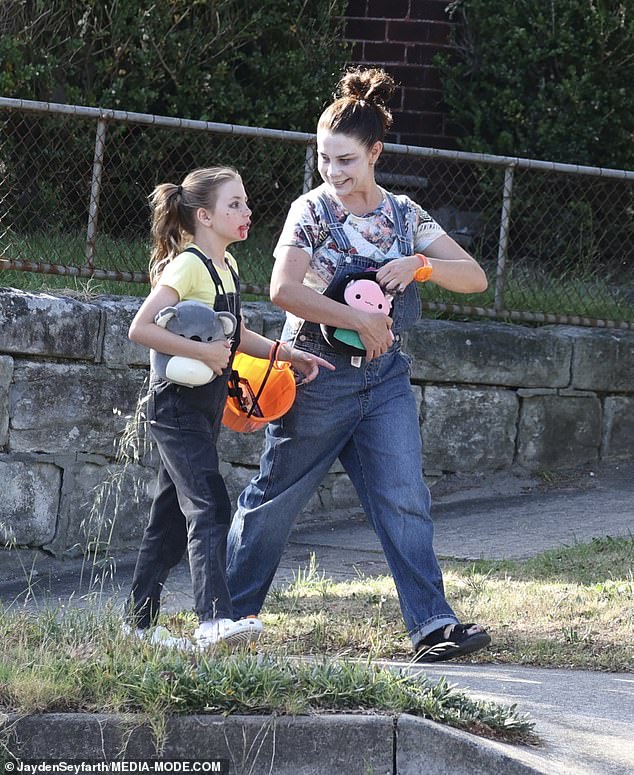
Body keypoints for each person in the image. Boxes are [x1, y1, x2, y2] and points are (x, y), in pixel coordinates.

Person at [226, 68, 492, 662]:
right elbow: (283, 290)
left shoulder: (405, 216)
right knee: (275, 500)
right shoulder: (311, 211)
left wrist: (421, 268)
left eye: (345, 160)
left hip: (385, 380)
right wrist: (363, 320)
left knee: (404, 499)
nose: (333, 172)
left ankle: (433, 626)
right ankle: (227, 619)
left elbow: (473, 277)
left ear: (375, 153)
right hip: (317, 375)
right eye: (324, 159)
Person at [125, 166, 332, 649]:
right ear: (204, 216)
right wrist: (203, 353)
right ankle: (214, 621)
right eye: (234, 204)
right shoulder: (188, 265)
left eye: (246, 202)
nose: (247, 211)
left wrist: (287, 354)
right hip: (174, 405)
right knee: (211, 505)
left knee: (171, 517)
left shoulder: (227, 267)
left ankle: (136, 625)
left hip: (204, 406)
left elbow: (234, 335)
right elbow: (141, 328)